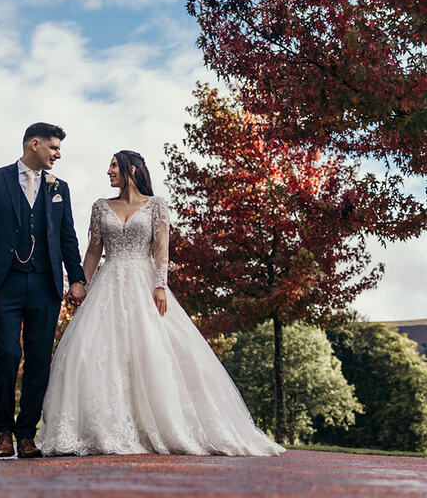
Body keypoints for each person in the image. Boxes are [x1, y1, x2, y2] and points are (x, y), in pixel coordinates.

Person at [39, 150, 284, 456]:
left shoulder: (156, 206)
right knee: (93, 352)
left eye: (113, 165)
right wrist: (80, 285)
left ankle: (158, 425)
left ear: (131, 169)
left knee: (152, 351)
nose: (108, 171)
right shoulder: (101, 206)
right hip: (107, 283)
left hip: (144, 284)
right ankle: (103, 427)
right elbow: (92, 251)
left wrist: (160, 286)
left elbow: (160, 250)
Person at [0, 122, 87, 459]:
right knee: (6, 353)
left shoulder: (58, 187)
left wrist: (76, 278)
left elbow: (67, 238)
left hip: (46, 283)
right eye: (53, 148)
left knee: (39, 362)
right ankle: (2, 430)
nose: (57, 155)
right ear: (34, 144)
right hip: (5, 281)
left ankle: (26, 434)